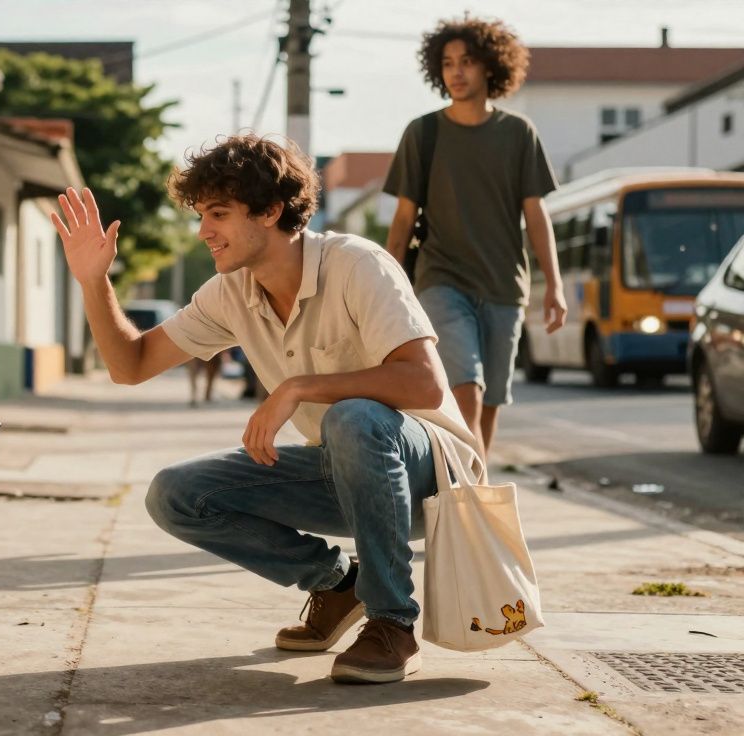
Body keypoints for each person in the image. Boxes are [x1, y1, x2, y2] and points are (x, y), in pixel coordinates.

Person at [50, 135, 481, 684]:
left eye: (220, 214)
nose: (205, 230)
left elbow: (424, 385)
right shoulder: (230, 291)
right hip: (345, 469)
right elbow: (130, 365)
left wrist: (298, 386)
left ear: (272, 210)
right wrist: (94, 281)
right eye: (203, 214)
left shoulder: (356, 265)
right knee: (177, 495)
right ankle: (335, 583)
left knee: (353, 416)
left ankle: (392, 621)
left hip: (432, 474)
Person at [384, 15, 566, 459]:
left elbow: (536, 214)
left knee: (488, 402)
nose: (457, 72)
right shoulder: (422, 133)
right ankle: (475, 497)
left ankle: (470, 482)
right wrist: (387, 287)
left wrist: (554, 286)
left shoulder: (519, 133)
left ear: (490, 66)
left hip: (504, 285)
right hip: (442, 279)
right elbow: (403, 219)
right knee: (465, 383)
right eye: (447, 63)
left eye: (467, 61)